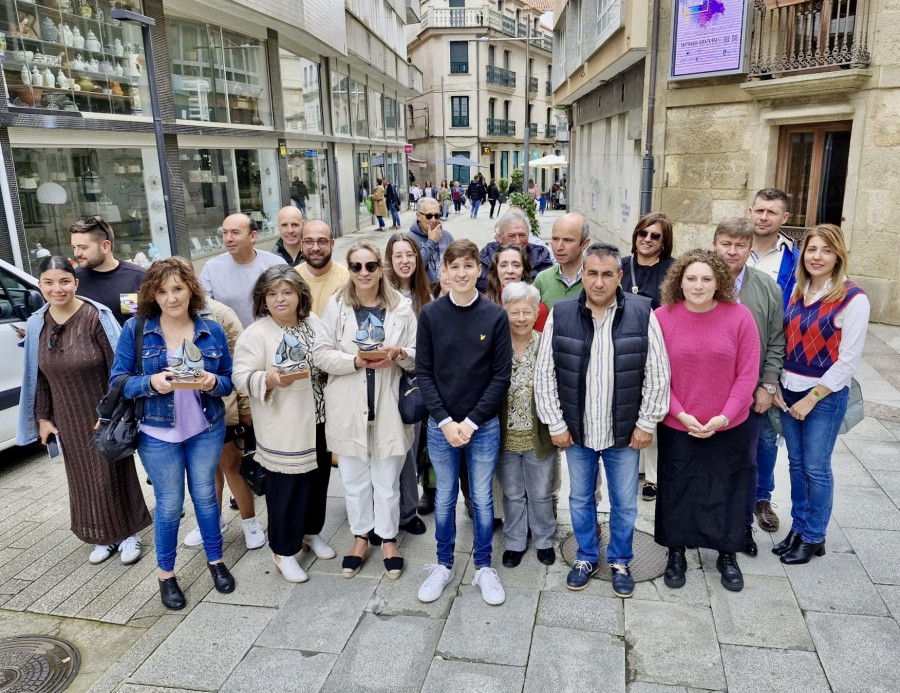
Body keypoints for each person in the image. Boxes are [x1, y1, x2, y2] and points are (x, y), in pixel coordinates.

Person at [535, 243, 670, 597]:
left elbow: (658, 373)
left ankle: (621, 560)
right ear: (583, 274)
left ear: (619, 276)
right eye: (591, 273)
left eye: (607, 274)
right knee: (580, 498)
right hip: (577, 432)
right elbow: (544, 373)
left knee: (625, 501)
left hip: (624, 433)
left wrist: (646, 423)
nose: (598, 282)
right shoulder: (561, 313)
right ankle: (585, 556)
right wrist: (555, 423)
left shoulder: (642, 312)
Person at [110, 257, 237, 610]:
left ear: (191, 290)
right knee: (169, 505)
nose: (171, 298)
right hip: (155, 433)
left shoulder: (210, 330)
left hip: (204, 428)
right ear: (152, 293)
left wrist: (213, 381)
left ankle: (215, 560)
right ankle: (166, 575)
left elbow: (228, 379)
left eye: (178, 288)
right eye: (162, 291)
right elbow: (118, 381)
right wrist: (150, 382)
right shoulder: (136, 330)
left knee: (206, 497)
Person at [17, 255, 151, 566]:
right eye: (49, 282)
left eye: (64, 281)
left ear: (76, 283)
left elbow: (117, 370)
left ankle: (128, 533)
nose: (57, 288)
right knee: (81, 479)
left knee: (112, 473)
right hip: (67, 417)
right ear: (40, 286)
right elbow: (37, 377)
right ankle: (101, 536)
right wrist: (43, 419)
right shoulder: (38, 323)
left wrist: (114, 413)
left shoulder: (95, 317)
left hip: (103, 412)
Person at [654, 249, 760, 593]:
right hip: (678, 423)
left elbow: (748, 374)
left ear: (720, 282)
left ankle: (727, 554)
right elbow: (656, 375)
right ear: (678, 281)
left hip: (728, 424)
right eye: (691, 278)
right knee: (677, 488)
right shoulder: (662, 317)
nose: (698, 285)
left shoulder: (740, 317)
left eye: (706, 279)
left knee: (727, 487)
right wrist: (681, 414)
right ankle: (676, 553)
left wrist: (725, 415)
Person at [313, 242, 418, 580]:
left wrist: (399, 352)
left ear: (381, 268)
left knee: (387, 482)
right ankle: (361, 536)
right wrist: (355, 361)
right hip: (347, 406)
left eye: (370, 266)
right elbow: (320, 353)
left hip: (388, 407)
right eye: (356, 267)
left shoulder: (401, 307)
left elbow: (419, 355)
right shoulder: (337, 305)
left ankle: (387, 539)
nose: (363, 273)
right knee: (355, 482)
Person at [416, 240, 512, 606]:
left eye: (468, 266)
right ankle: (443, 564)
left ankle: (484, 567)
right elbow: (424, 373)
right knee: (443, 499)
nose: (460, 273)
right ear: (444, 271)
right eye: (453, 266)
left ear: (478, 270)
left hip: (482, 427)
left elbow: (500, 377)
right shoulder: (431, 315)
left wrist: (470, 422)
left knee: (483, 499)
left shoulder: (494, 316)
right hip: (442, 427)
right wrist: (445, 422)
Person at [773, 224, 870, 565]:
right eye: (812, 249)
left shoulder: (853, 298)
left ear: (838, 256)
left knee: (816, 467)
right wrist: (778, 387)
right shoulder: (799, 291)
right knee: (796, 465)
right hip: (789, 391)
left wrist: (811, 397)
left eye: (826, 250)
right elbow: (786, 343)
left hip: (824, 398)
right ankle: (800, 529)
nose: (817, 257)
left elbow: (848, 362)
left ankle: (814, 536)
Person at [233, 266, 334, 583]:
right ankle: (283, 551)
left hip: (320, 420)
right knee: (287, 491)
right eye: (273, 293)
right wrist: (269, 379)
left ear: (299, 295)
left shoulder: (312, 323)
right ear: (263, 297)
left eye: (287, 292)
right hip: (284, 428)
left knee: (318, 483)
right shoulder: (257, 333)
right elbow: (240, 377)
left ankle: (310, 532)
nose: (280, 299)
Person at [712, 218, 784, 558]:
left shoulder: (766, 288)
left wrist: (768, 385)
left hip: (749, 393)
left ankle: (741, 527)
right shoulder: (700, 282)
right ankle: (707, 524)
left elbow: (775, 341)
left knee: (745, 462)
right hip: (706, 392)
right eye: (726, 243)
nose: (732, 250)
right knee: (704, 462)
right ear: (715, 245)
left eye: (740, 245)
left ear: (749, 248)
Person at [180, 296, 262, 551]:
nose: (172, 295)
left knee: (231, 464)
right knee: (202, 470)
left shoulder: (220, 315)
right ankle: (212, 522)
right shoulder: (160, 317)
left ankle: (250, 521)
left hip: (221, 406)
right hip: (184, 410)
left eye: (179, 286)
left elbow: (241, 363)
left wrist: (246, 409)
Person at [746, 188, 801, 534]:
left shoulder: (794, 262)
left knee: (766, 435)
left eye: (772, 212)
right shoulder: (732, 250)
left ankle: (761, 497)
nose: (764, 217)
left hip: (770, 358)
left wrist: (773, 376)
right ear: (750, 211)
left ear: (785, 219)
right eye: (759, 210)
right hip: (727, 359)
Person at [497, 282, 556, 568]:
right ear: (504, 311)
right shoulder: (496, 347)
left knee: (541, 493)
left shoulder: (547, 344)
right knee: (512, 493)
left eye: (526, 311)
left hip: (539, 435)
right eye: (514, 311)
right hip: (504, 436)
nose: (521, 318)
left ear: (536, 313)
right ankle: (515, 541)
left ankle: (544, 539)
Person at [619, 212, 676, 501]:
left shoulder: (672, 269)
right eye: (643, 233)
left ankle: (653, 476)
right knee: (629, 408)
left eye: (656, 236)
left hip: (659, 350)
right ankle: (635, 468)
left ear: (664, 242)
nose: (648, 240)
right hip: (625, 349)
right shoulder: (622, 265)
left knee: (653, 412)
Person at [385, 232, 431, 532]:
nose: (404, 261)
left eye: (410, 255)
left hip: (417, 384)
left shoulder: (426, 296)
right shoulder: (380, 296)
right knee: (387, 452)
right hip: (386, 381)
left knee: (411, 451)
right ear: (388, 260)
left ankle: (408, 512)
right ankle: (384, 515)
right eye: (398, 255)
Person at [199, 213, 285, 327]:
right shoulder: (211, 268)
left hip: (272, 338)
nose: (228, 239)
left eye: (235, 232)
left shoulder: (276, 264)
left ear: (253, 236)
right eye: (225, 233)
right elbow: (202, 309)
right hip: (229, 341)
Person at [69, 215, 146, 327]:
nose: (76, 253)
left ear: (105, 246)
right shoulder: (73, 281)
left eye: (83, 247)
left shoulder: (137, 278)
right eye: (74, 247)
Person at [477, 207, 554, 292]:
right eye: (511, 236)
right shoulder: (487, 256)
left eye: (522, 235)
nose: (517, 241)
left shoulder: (541, 256)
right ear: (499, 238)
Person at [485, 243, 549, 331]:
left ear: (524, 271)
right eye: (504, 265)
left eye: (516, 265)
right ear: (496, 270)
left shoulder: (538, 309)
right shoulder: (485, 306)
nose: (510, 271)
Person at [533, 213, 591, 309]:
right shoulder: (542, 280)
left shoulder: (598, 280)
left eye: (567, 240)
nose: (559, 247)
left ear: (584, 244)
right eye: (555, 239)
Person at [295, 219, 351, 317]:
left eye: (322, 241)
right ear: (301, 245)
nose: (315, 248)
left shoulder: (348, 279)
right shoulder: (291, 279)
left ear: (332, 244)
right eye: (309, 242)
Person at [407, 198, 455, 284]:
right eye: (429, 216)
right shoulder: (409, 239)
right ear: (418, 216)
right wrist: (431, 242)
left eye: (437, 216)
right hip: (424, 291)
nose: (433, 220)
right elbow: (414, 267)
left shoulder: (446, 236)